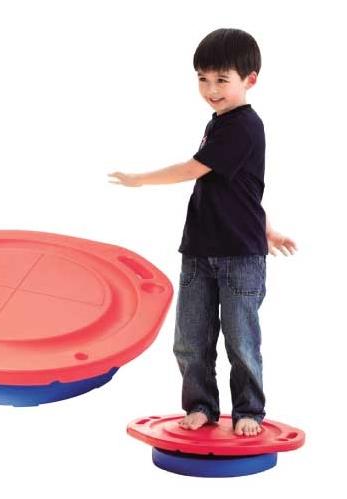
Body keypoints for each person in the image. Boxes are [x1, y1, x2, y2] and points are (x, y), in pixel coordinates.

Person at [108, 28, 297, 437]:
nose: (211, 89)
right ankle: (201, 406)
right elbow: (244, 188)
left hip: (239, 256)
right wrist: (268, 228)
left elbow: (194, 169)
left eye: (221, 80)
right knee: (190, 339)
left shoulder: (244, 125)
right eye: (203, 79)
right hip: (198, 250)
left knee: (241, 340)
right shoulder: (219, 122)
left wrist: (141, 179)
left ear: (250, 79)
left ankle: (248, 411)